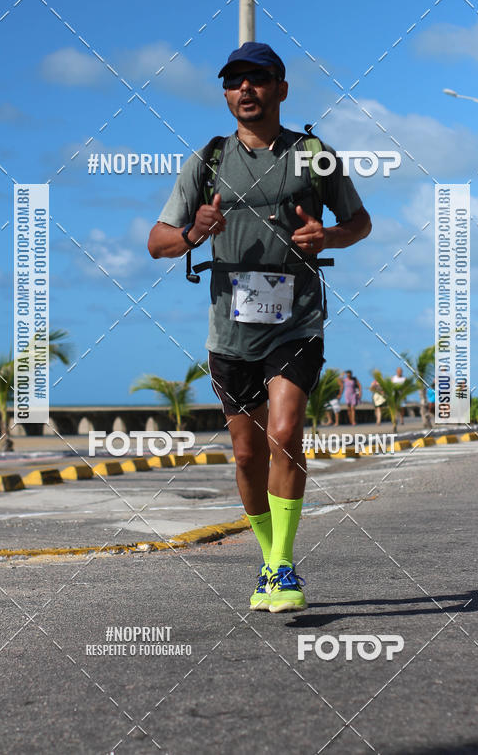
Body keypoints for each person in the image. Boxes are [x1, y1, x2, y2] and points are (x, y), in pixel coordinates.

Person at [148, 42, 371, 612]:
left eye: (258, 79)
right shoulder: (208, 161)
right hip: (230, 327)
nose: (245, 89)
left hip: (296, 319)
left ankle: (281, 566)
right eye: (234, 81)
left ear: (282, 88)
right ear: (226, 94)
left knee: (285, 430)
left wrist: (328, 236)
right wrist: (195, 232)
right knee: (247, 454)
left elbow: (360, 222)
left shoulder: (315, 154)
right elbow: (157, 244)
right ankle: (267, 561)